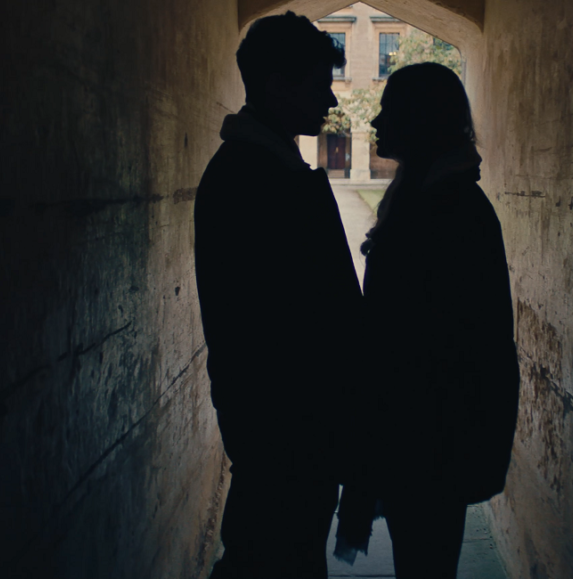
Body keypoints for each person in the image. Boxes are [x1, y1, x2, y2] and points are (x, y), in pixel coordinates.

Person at [194, 12, 362, 579]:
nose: (331, 100)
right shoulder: (260, 179)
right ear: (278, 87)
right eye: (319, 86)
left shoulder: (256, 168)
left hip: (279, 423)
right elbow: (308, 321)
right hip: (286, 426)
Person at [337, 62, 520, 579]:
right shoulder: (429, 197)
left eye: (389, 111)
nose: (376, 121)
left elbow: (433, 342)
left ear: (420, 121)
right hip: (421, 433)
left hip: (430, 437)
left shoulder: (449, 209)